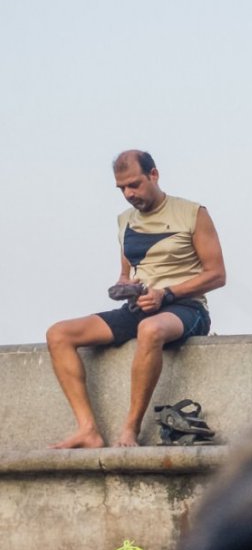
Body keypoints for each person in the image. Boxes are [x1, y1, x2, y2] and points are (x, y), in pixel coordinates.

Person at [46, 151, 225, 448]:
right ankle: (88, 429)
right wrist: (123, 286)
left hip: (186, 308)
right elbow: (127, 272)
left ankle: (130, 428)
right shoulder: (124, 221)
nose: (129, 194)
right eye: (122, 188)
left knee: (150, 330)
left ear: (153, 175)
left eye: (134, 184)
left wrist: (166, 293)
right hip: (139, 306)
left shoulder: (193, 213)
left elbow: (217, 275)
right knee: (59, 334)